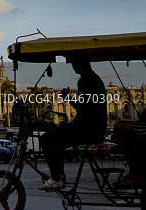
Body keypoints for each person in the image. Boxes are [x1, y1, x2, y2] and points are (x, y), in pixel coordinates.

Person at [39, 56, 106, 190]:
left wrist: (68, 98)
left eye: (75, 63)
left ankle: (56, 177)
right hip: (93, 127)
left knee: (45, 139)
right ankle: (58, 175)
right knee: (57, 143)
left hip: (87, 128)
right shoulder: (93, 79)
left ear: (82, 63)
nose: (73, 67)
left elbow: (84, 108)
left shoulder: (86, 80)